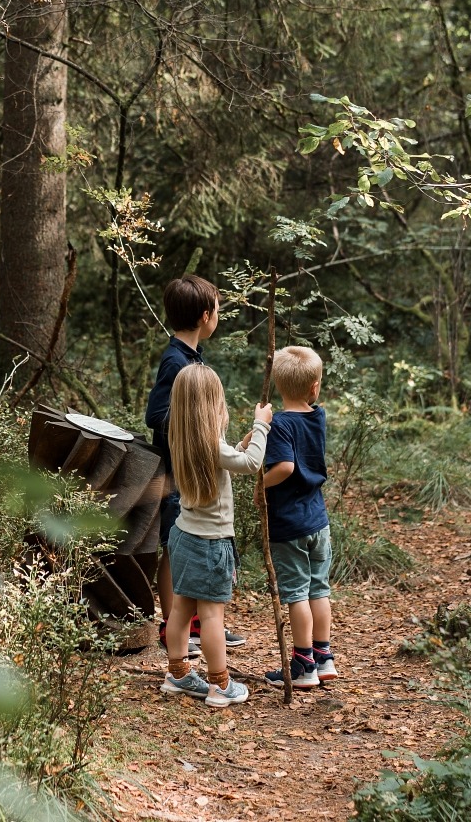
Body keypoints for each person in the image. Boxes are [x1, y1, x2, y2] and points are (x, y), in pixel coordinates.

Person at [158, 364, 271, 707]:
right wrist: (261, 426)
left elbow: (226, 458)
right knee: (211, 617)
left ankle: (178, 674)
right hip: (210, 545)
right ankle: (219, 684)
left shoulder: (182, 440)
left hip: (183, 536)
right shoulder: (211, 445)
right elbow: (251, 464)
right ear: (213, 406)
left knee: (179, 610)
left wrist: (240, 443)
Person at [144, 275, 246, 655]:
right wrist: (196, 434)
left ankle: (196, 621)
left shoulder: (189, 356)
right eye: (218, 308)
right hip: (175, 472)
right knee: (175, 545)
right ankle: (175, 624)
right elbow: (156, 414)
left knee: (183, 543)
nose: (218, 314)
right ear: (206, 315)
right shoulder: (175, 360)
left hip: (186, 470)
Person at [256, 345, 337, 688]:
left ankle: (303, 665)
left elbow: (285, 467)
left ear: (277, 386)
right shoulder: (317, 416)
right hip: (318, 520)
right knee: (319, 590)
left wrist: (261, 483)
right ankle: (324, 657)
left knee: (297, 594)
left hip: (289, 524)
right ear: (315, 387)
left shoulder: (281, 425)